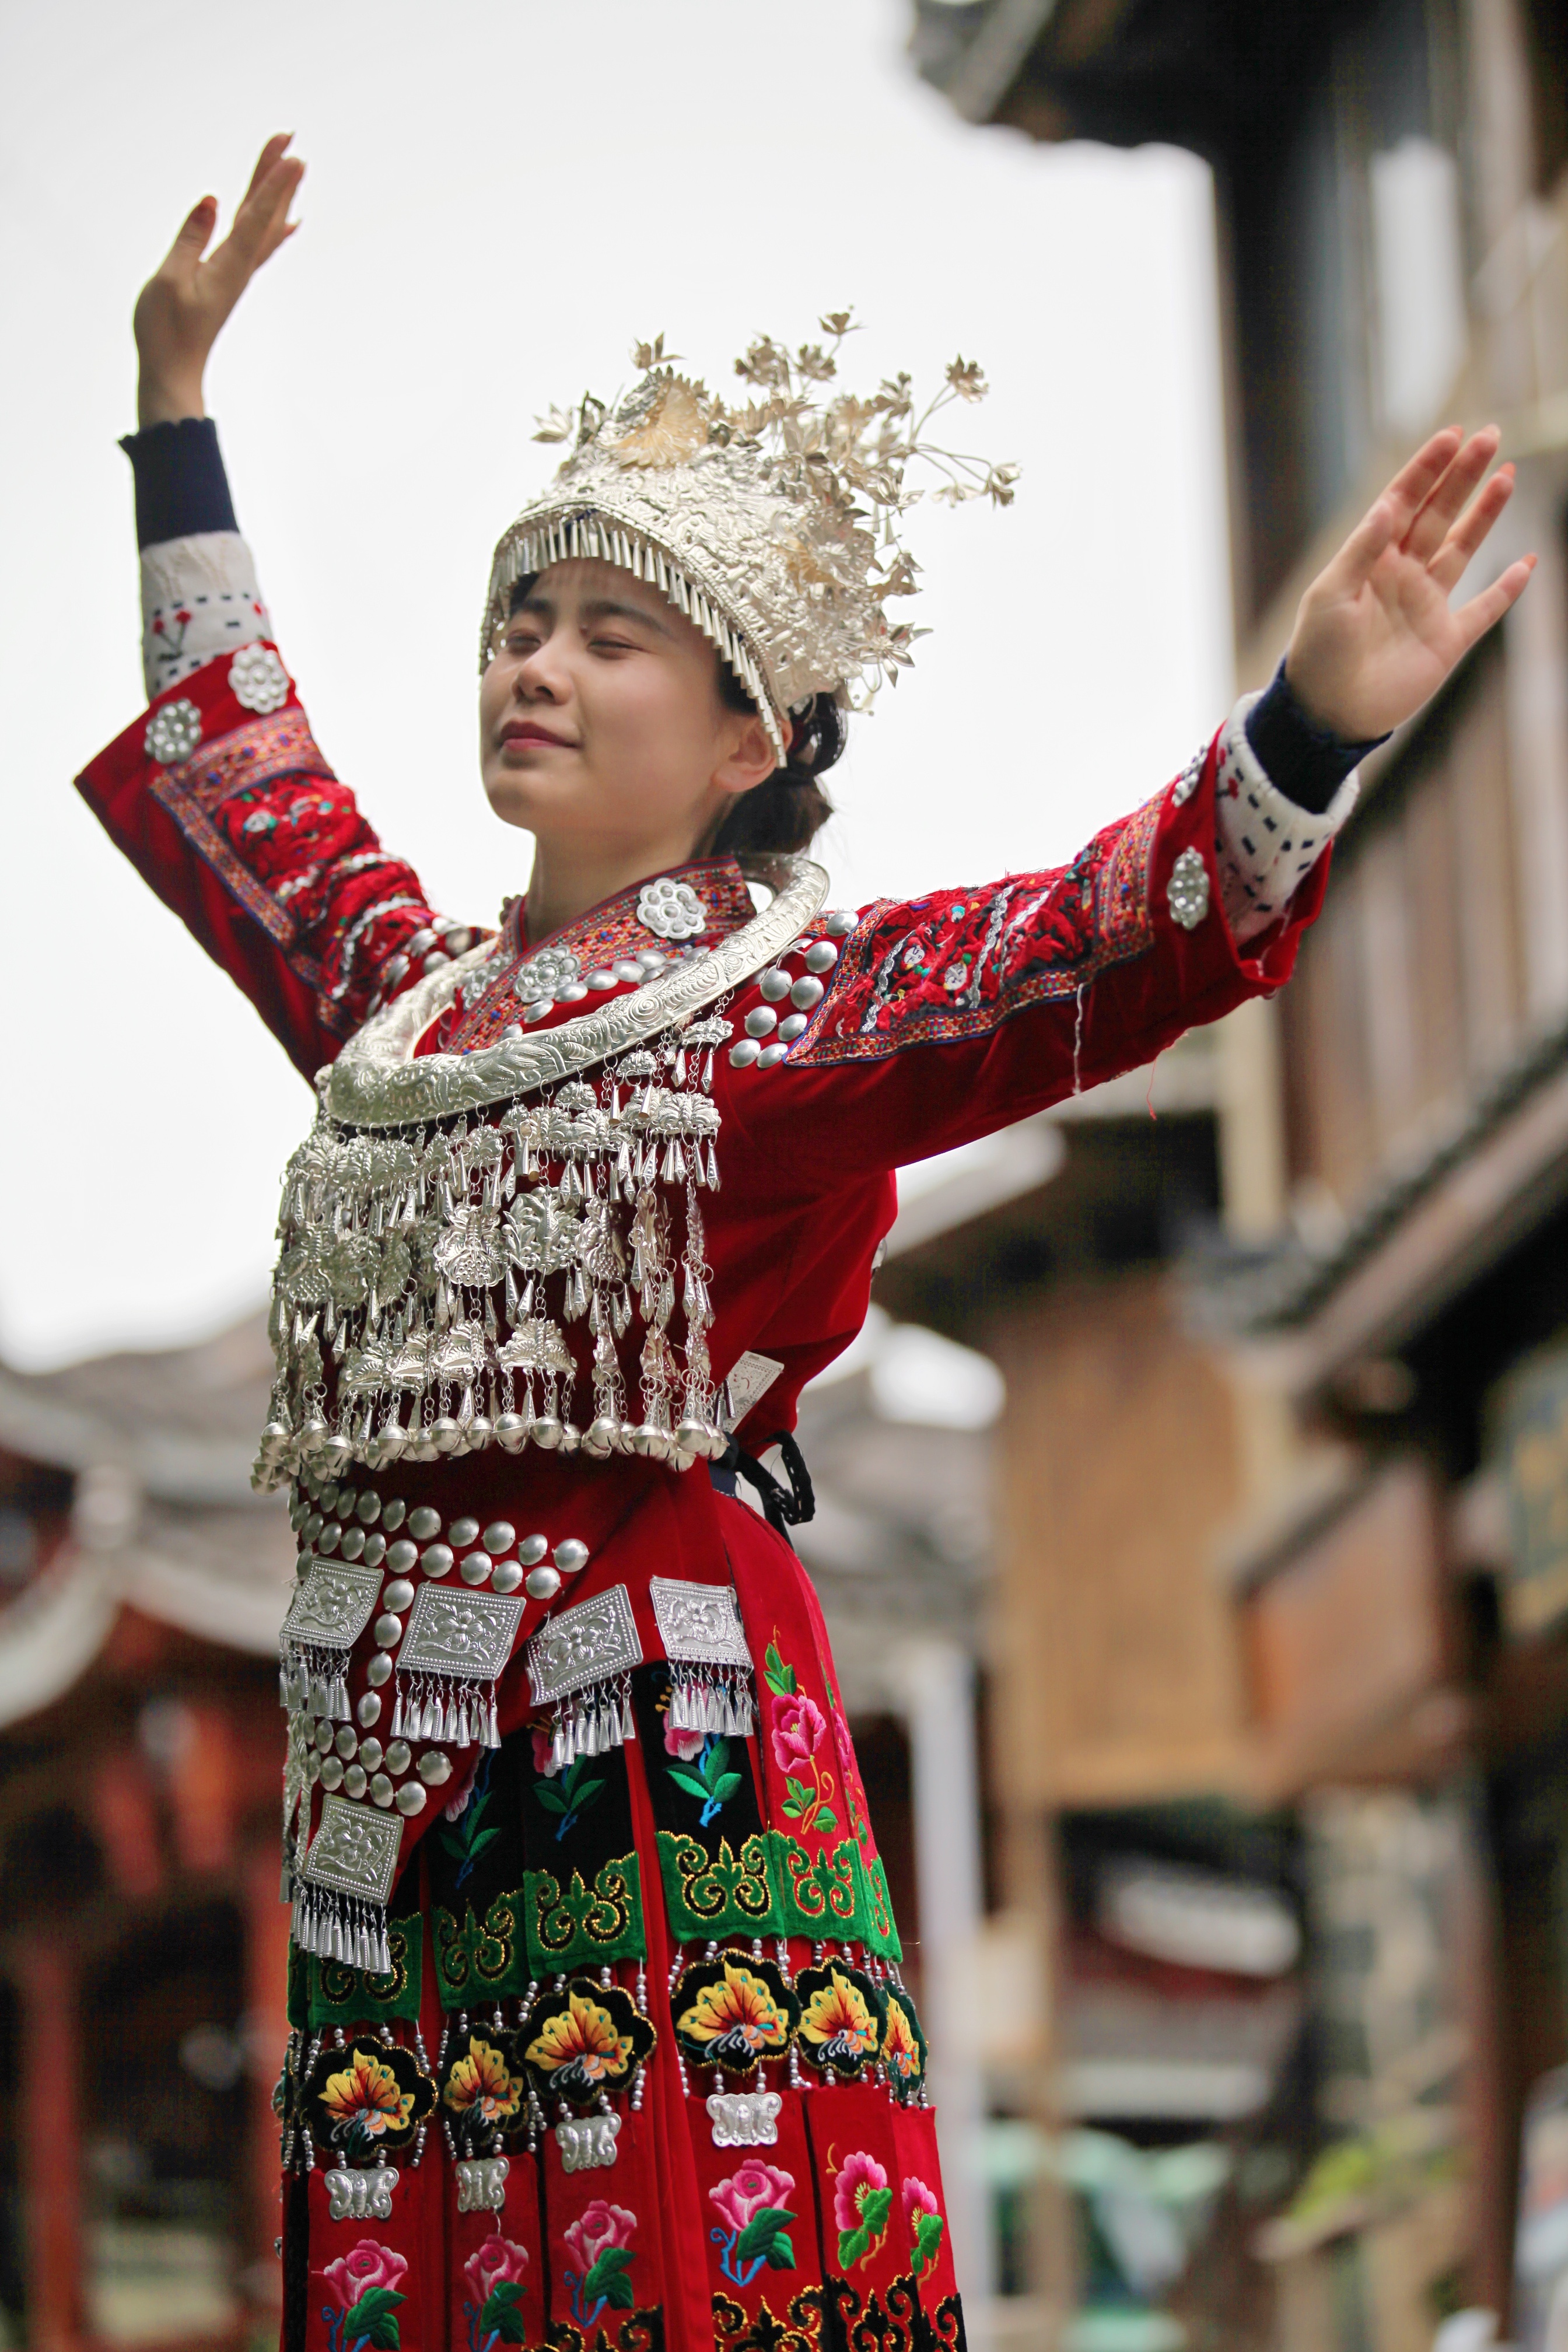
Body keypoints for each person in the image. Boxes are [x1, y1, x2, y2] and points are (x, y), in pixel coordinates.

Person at [80, 135, 1534, 2352]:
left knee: (687, 2263)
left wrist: (1312, 721)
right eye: (515, 623)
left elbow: (1112, 937)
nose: (531, 667)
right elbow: (239, 787)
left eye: (608, 634)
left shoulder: (779, 1010)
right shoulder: (403, 1018)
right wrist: (176, 410)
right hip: (386, 1789)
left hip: (646, 1752)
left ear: (749, 733)